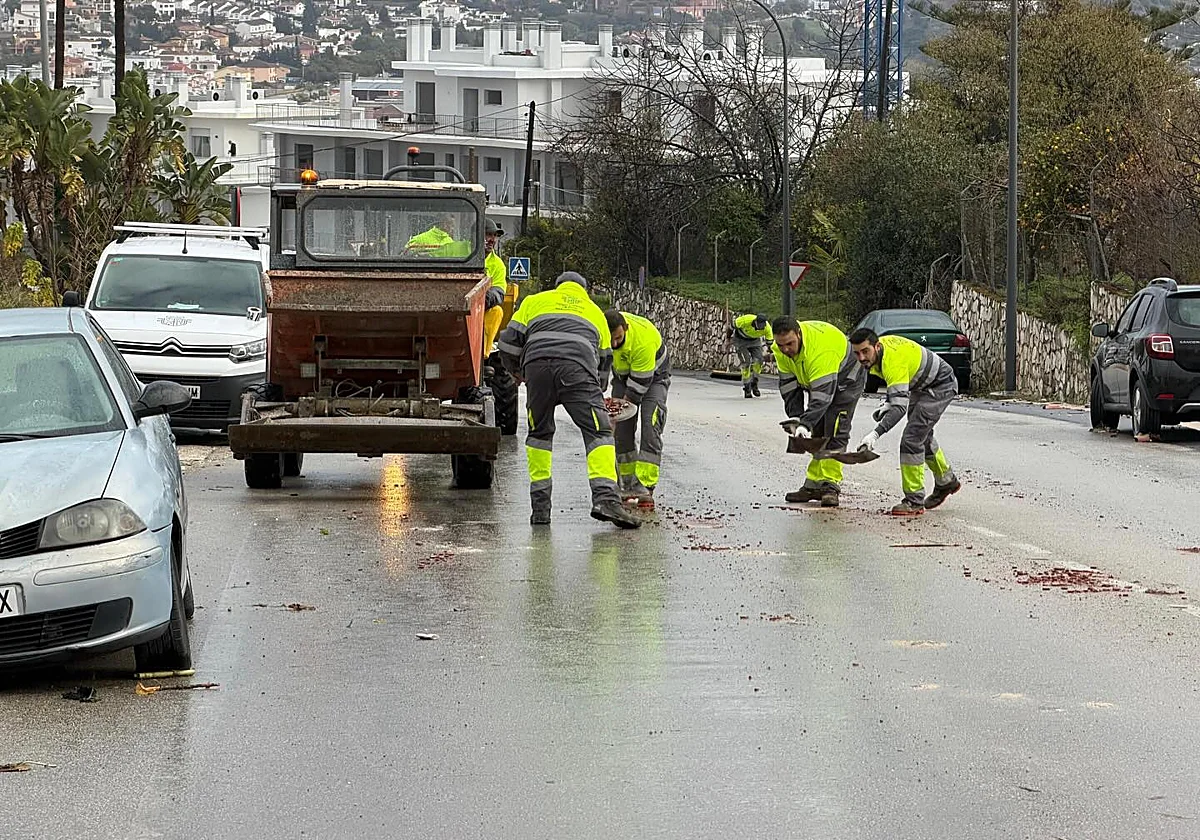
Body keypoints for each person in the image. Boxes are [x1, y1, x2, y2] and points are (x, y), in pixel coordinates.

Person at [497, 272, 641, 530]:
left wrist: (518, 372)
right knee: (598, 432)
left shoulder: (534, 301)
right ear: (583, 290)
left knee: (539, 435)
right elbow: (604, 365)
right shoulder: (595, 311)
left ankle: (540, 510)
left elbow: (507, 343)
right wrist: (594, 395)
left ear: (558, 287)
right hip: (577, 368)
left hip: (537, 369)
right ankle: (606, 500)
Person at [849, 328, 962, 516]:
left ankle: (914, 501)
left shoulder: (892, 360)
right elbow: (897, 386)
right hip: (923, 385)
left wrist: (875, 434)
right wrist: (889, 402)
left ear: (876, 346)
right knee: (921, 435)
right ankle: (946, 481)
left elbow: (900, 408)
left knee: (911, 440)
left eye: (865, 352)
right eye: (857, 353)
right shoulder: (880, 351)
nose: (861, 358)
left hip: (940, 385)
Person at [771, 317, 865, 508]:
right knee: (819, 431)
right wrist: (796, 418)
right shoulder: (779, 349)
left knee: (835, 428)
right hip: (818, 380)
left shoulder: (820, 350)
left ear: (799, 334)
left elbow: (822, 397)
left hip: (846, 380)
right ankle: (814, 484)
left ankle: (830, 484)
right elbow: (789, 387)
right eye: (782, 345)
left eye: (790, 343)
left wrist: (805, 423)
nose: (786, 349)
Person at [604, 309, 670, 508]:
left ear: (626, 328)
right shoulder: (600, 334)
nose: (614, 344)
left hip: (654, 378)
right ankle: (627, 485)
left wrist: (616, 415)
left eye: (618, 338)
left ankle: (646, 487)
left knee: (651, 425)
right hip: (623, 378)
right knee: (622, 434)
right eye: (611, 341)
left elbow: (636, 390)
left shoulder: (642, 341)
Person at [730, 313, 773, 398]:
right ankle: (747, 387)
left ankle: (754, 382)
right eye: (759, 326)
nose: (760, 328)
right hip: (740, 340)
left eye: (762, 326)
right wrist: (728, 339)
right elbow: (731, 327)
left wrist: (771, 352)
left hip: (755, 341)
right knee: (746, 362)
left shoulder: (767, 328)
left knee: (759, 360)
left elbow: (770, 343)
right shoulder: (745, 320)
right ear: (755, 322)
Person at [482, 218, 508, 355]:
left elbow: (499, 291)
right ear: (476, 234)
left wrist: (481, 300)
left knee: (497, 311)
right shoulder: (458, 250)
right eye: (488, 234)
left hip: (481, 310)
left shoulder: (498, 265)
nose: (492, 239)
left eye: (494, 235)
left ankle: (482, 354)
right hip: (455, 305)